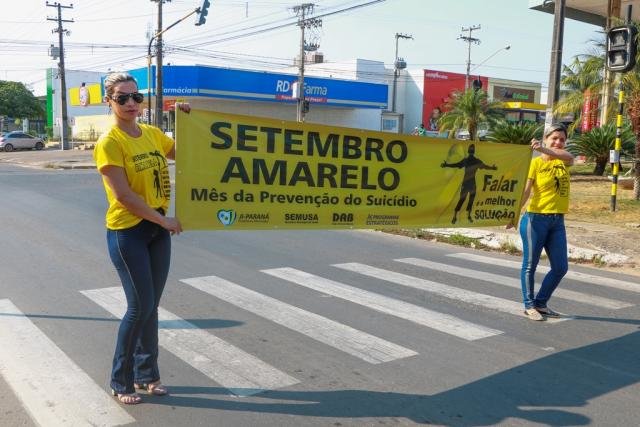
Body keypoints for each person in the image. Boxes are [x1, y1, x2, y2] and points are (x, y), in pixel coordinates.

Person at [93, 72, 189, 404]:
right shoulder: (110, 142)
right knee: (139, 307)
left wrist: (190, 119)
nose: (132, 103)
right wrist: (163, 219)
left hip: (157, 231)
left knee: (152, 307)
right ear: (110, 102)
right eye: (123, 98)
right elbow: (124, 197)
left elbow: (187, 153)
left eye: (137, 97)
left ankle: (148, 375)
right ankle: (121, 380)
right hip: (128, 232)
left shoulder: (151, 133)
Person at [516, 123, 574, 321]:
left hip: (557, 221)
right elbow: (526, 191)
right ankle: (529, 305)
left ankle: (541, 303)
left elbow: (570, 157)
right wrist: (514, 214)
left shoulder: (563, 161)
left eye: (562, 139)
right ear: (546, 138)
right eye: (554, 138)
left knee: (560, 267)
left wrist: (544, 148)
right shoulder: (535, 163)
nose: (558, 142)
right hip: (535, 219)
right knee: (530, 265)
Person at [441, 143, 497, 224]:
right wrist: (492, 168)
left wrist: (446, 165)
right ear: (474, 152)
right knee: (470, 200)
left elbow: (456, 165)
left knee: (463, 200)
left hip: (466, 183)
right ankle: (466, 216)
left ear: (468, 151)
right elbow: (485, 166)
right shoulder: (476, 161)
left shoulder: (466, 160)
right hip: (472, 184)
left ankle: (456, 217)